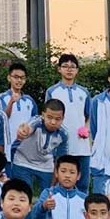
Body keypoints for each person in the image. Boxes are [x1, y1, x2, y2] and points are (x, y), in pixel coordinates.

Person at [43, 54, 92, 188]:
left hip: (81, 146)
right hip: (59, 145)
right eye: (65, 66)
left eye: (72, 67)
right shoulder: (52, 91)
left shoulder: (84, 92)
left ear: (77, 70)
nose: (69, 69)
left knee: (83, 184)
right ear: (59, 69)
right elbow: (47, 118)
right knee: (58, 183)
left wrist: (86, 129)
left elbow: (89, 116)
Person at [6, 98, 69, 196]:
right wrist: (23, 131)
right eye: (49, 117)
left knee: (48, 196)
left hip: (45, 165)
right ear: (43, 115)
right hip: (23, 161)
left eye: (57, 119)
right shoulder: (37, 121)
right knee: (23, 195)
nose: (53, 122)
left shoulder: (64, 134)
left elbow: (61, 159)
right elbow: (28, 128)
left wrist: (56, 178)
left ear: (63, 118)